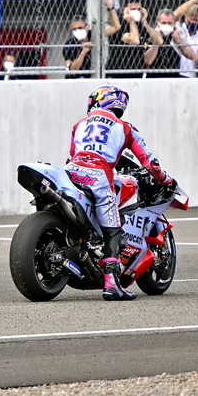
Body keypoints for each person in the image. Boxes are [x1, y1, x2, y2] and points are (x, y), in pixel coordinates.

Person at [66, 86, 174, 301]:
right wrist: (165, 179)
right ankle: (112, 284)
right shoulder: (125, 128)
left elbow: (71, 155)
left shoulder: (79, 125)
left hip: (71, 174)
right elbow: (150, 163)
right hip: (99, 178)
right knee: (113, 229)